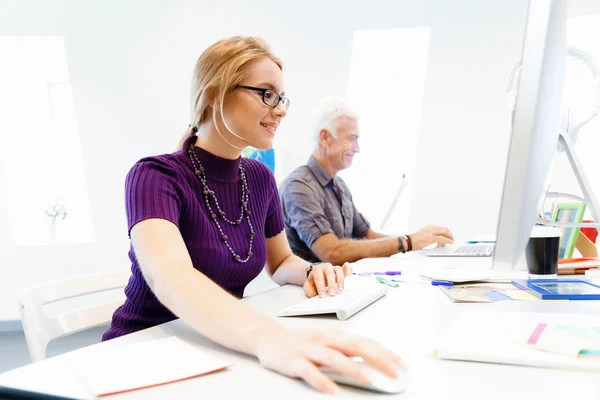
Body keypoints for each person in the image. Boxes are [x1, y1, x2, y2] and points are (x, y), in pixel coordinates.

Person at [102, 37, 406, 393]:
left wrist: (313, 270)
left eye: (282, 98)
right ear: (215, 94)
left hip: (212, 345)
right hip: (140, 354)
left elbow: (279, 264)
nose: (280, 110)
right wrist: (269, 338)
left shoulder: (259, 177)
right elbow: (169, 275)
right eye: (266, 94)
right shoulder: (155, 175)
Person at [279, 97, 454, 265]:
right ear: (324, 137)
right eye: (352, 138)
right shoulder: (298, 186)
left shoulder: (340, 185)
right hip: (309, 292)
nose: (357, 149)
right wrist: (408, 242)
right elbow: (331, 252)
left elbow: (366, 236)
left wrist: (418, 242)